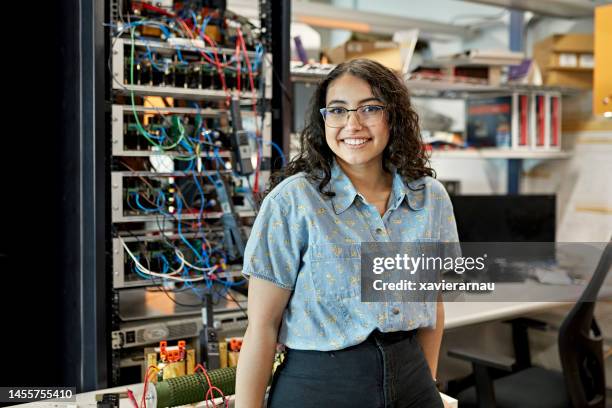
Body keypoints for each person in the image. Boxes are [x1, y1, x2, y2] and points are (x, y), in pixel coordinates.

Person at [235, 58, 459, 408]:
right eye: (338, 110)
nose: (352, 124)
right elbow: (262, 327)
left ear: (393, 116)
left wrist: (426, 382)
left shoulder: (430, 198)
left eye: (369, 108)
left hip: (412, 379)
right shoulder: (293, 202)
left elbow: (433, 306)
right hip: (320, 387)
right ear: (323, 120)